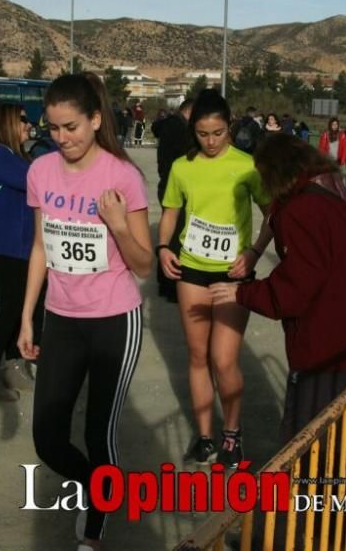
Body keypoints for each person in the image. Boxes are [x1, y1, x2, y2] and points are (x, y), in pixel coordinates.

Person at [18, 73, 152, 551]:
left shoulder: (122, 176)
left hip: (116, 320)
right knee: (48, 437)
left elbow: (144, 264)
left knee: (100, 431)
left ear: (95, 120)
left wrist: (117, 224)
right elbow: (40, 248)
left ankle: (94, 528)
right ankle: (101, 489)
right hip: (62, 319)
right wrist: (27, 315)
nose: (62, 138)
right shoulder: (40, 173)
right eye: (53, 128)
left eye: (71, 126)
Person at [211, 133, 346, 443]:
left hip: (325, 346)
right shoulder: (334, 190)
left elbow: (295, 290)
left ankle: (308, 492)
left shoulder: (302, 210)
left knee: (310, 439)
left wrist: (242, 293)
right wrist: (255, 252)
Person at [157, 89, 272, 468]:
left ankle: (232, 435)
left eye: (218, 133)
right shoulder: (182, 167)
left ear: (230, 127)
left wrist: (253, 252)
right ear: (194, 130)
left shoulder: (247, 165)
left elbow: (273, 214)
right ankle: (205, 437)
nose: (210, 141)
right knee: (196, 356)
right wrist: (163, 247)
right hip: (190, 271)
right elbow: (171, 212)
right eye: (203, 134)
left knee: (224, 360)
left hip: (233, 275)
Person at [0, 104, 44, 401]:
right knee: (9, 309)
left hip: (21, 245)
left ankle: (15, 368)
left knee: (20, 309)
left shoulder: (16, 156)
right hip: (5, 246)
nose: (29, 125)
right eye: (24, 121)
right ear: (7, 124)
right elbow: (35, 180)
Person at [153, 99, 193, 302]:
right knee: (175, 237)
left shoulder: (169, 125)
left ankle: (165, 281)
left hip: (166, 182)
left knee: (170, 235)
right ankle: (170, 283)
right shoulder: (178, 128)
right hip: (173, 185)